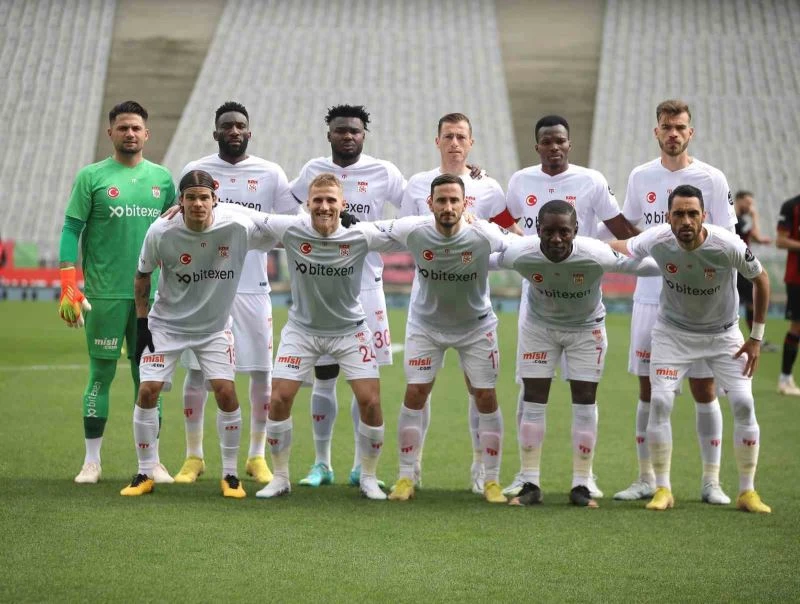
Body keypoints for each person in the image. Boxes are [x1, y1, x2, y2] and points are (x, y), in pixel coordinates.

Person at [497, 114, 639, 498]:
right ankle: (527, 475)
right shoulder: (521, 180)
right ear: (537, 146)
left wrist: (655, 246)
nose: (554, 147)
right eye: (547, 141)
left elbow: (621, 229)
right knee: (529, 388)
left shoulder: (591, 180)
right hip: (538, 292)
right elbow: (503, 220)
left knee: (584, 395)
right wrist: (524, 245)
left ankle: (584, 478)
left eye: (560, 141)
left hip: (581, 292)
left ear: (569, 144)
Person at [612, 184, 771, 513]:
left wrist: (756, 338)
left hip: (723, 336)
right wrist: (577, 247)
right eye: (679, 214)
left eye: (692, 213)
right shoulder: (657, 239)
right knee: (659, 402)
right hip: (673, 334)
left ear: (704, 216)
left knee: (743, 403)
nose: (686, 220)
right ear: (668, 216)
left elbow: (762, 279)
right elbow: (620, 247)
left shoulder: (727, 244)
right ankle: (663, 489)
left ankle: (746, 491)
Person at [121, 169, 279, 498]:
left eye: (204, 197)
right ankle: (145, 472)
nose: (197, 204)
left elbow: (280, 228)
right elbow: (142, 275)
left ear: (215, 200)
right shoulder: (161, 230)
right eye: (190, 197)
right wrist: (141, 323)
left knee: (225, 392)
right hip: (166, 325)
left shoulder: (236, 226)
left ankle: (230, 475)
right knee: (148, 391)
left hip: (213, 328)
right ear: (179, 201)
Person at [613, 99, 739, 505]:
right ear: (657, 131)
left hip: (698, 302)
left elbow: (729, 240)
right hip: (651, 297)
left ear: (690, 132)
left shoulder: (712, 179)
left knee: (704, 388)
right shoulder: (640, 176)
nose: (673, 134)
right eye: (666, 127)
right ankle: (646, 478)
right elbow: (631, 231)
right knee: (648, 389)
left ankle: (711, 481)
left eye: (680, 127)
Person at [495, 200, 659, 508]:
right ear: (537, 230)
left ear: (576, 231)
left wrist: (684, 261)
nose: (556, 239)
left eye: (564, 232)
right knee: (533, 401)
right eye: (549, 232)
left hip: (586, 330)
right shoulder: (521, 253)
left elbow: (643, 266)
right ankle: (530, 483)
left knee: (584, 401)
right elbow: (487, 258)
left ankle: (582, 484)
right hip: (539, 328)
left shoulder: (596, 253)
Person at [173, 101, 298, 486]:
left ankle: (256, 456)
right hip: (205, 288)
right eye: (226, 125)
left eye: (240, 125)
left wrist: (251, 236)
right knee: (198, 373)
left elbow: (288, 229)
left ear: (249, 132)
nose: (233, 131)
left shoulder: (270, 173)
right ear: (216, 132)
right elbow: (180, 223)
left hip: (252, 288)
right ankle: (194, 456)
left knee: (261, 371)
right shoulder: (197, 170)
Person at [256, 173, 402, 500]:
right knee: (278, 399)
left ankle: (368, 476)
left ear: (342, 204)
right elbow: (248, 216)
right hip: (302, 331)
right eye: (318, 200)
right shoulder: (292, 229)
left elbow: (409, 229)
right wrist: (199, 206)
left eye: (330, 200)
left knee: (371, 401)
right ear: (307, 204)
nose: (324, 206)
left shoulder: (361, 234)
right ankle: (280, 477)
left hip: (350, 331)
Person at [58, 101, 176, 485]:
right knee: (100, 375)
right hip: (105, 295)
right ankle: (91, 462)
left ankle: (152, 462)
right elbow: (71, 229)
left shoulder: (163, 179)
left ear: (147, 134)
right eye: (123, 127)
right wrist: (68, 283)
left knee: (148, 379)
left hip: (152, 298)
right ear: (110, 133)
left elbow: (176, 235)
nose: (130, 133)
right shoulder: (91, 177)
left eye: (136, 128)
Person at [398, 112, 515, 493]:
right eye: (448, 136)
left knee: (480, 391)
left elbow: (510, 235)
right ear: (437, 141)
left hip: (472, 310)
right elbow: (407, 235)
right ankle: (410, 469)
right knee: (417, 390)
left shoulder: (489, 187)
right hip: (427, 309)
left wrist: (477, 259)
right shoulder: (417, 183)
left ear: (471, 142)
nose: (454, 143)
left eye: (461, 136)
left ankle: (483, 469)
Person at [290, 105, 405, 488]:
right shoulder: (313, 170)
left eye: (354, 131)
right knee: (324, 377)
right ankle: (321, 464)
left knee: (363, 380)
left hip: (367, 287)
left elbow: (417, 206)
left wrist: (469, 176)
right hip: (322, 287)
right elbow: (286, 208)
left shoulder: (384, 171)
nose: (348, 136)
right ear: (330, 135)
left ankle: (360, 466)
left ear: (363, 135)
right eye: (341, 131)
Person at [734, 191, 775, 351]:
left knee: (750, 301)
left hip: (738, 266)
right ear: (738, 200)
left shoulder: (739, 221)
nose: (750, 206)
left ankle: (756, 338)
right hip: (738, 267)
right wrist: (755, 216)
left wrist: (761, 240)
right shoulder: (737, 220)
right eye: (748, 202)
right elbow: (754, 233)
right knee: (752, 300)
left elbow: (753, 237)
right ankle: (756, 338)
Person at [775, 193, 800, 395]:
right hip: (797, 277)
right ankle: (784, 379)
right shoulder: (792, 206)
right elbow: (781, 241)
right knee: (796, 327)